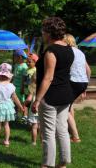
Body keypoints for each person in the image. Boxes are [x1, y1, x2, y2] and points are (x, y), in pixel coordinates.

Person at [32, 17, 74, 168]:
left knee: (48, 133)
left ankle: (47, 165)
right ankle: (63, 163)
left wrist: (37, 100)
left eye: (43, 30)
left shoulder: (51, 51)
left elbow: (48, 78)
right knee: (62, 130)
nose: (42, 33)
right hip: (65, 95)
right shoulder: (69, 49)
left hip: (50, 97)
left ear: (49, 32)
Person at [0, 63, 24, 147]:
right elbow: (15, 98)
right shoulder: (11, 86)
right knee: (6, 124)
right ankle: (6, 141)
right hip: (8, 107)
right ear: (8, 76)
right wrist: (20, 106)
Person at [64, 34, 91, 143]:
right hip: (83, 82)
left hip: (72, 81)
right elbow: (89, 70)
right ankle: (70, 129)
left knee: (64, 108)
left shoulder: (67, 52)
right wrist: (85, 88)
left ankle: (75, 136)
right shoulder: (80, 53)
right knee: (69, 106)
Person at [24, 53, 39, 145]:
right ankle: (42, 141)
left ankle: (33, 142)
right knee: (42, 126)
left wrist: (24, 104)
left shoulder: (33, 89)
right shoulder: (45, 91)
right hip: (43, 108)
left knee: (34, 126)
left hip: (34, 108)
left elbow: (29, 99)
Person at [13, 49, 28, 121]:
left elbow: (24, 78)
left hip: (20, 87)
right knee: (15, 101)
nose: (14, 58)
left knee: (22, 102)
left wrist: (22, 87)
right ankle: (15, 114)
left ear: (20, 57)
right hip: (14, 86)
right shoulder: (16, 65)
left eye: (15, 57)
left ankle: (24, 115)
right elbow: (14, 75)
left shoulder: (24, 67)